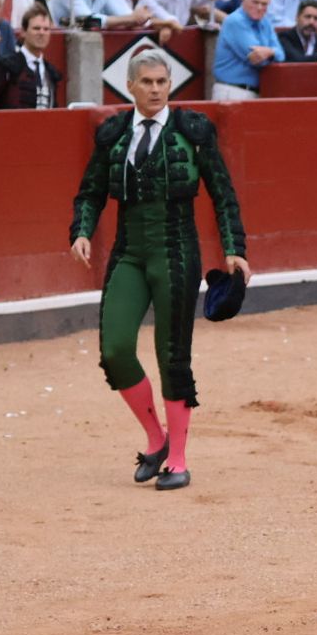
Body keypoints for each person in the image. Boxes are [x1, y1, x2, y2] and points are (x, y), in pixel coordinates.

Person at [68, 48, 249, 491]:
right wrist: (81, 231)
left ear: (170, 85)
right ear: (129, 86)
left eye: (161, 82)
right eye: (146, 82)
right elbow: (90, 191)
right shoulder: (113, 134)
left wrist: (234, 248)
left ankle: (179, 458)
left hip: (176, 251)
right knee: (115, 349)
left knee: (173, 355)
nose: (155, 90)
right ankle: (156, 438)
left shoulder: (193, 131)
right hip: (129, 252)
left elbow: (222, 193)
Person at [0, 4, 62, 107]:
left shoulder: (50, 72)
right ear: (23, 32)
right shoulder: (4, 66)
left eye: (46, 29)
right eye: (36, 28)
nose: (42, 33)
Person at [211, 0, 282, 98]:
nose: (259, 7)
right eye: (255, 2)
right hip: (231, 90)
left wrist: (270, 52)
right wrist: (272, 54)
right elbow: (256, 59)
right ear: (243, 1)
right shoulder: (235, 21)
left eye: (264, 4)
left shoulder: (265, 22)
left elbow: (281, 54)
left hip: (254, 91)